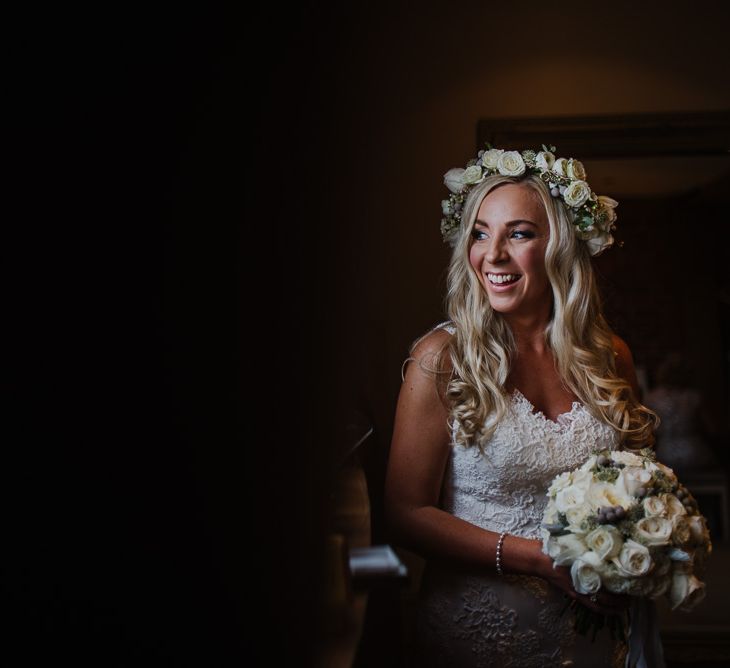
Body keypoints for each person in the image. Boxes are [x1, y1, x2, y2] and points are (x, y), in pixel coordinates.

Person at [384, 147, 664, 667]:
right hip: (477, 637)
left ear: (560, 244)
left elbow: (642, 485)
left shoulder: (610, 356)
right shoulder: (441, 360)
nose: (492, 255)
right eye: (480, 233)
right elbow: (404, 515)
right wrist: (538, 560)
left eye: (519, 233)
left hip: (594, 639)